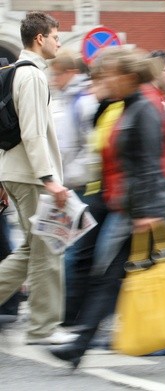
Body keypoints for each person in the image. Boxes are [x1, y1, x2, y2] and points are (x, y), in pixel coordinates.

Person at [49, 47, 165, 372]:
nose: (104, 81)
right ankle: (79, 345)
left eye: (110, 75)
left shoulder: (143, 109)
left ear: (128, 77)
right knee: (110, 276)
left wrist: (146, 212)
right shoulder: (127, 106)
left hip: (156, 208)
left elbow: (150, 165)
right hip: (140, 207)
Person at [0, 11, 75, 345]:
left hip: (20, 172)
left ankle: (43, 325)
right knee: (47, 249)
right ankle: (42, 328)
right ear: (40, 38)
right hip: (31, 176)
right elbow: (32, 133)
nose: (59, 41)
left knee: (32, 250)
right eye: (56, 36)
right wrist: (49, 179)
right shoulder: (31, 76)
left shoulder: (20, 72)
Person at [49, 49, 101, 326]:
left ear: (69, 72)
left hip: (81, 186)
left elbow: (91, 147)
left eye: (57, 74)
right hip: (72, 185)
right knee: (71, 249)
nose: (54, 79)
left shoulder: (83, 100)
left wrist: (73, 176)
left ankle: (71, 315)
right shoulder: (69, 98)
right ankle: (72, 313)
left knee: (74, 251)